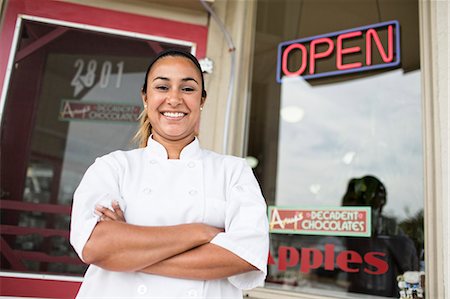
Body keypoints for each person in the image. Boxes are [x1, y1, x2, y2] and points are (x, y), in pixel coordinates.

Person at [70, 49, 269, 298]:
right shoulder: (113, 167)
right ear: (145, 97)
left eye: (187, 89)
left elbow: (245, 256)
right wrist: (200, 233)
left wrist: (127, 253)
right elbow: (94, 246)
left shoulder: (233, 172)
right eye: (162, 87)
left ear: (202, 100)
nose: (174, 99)